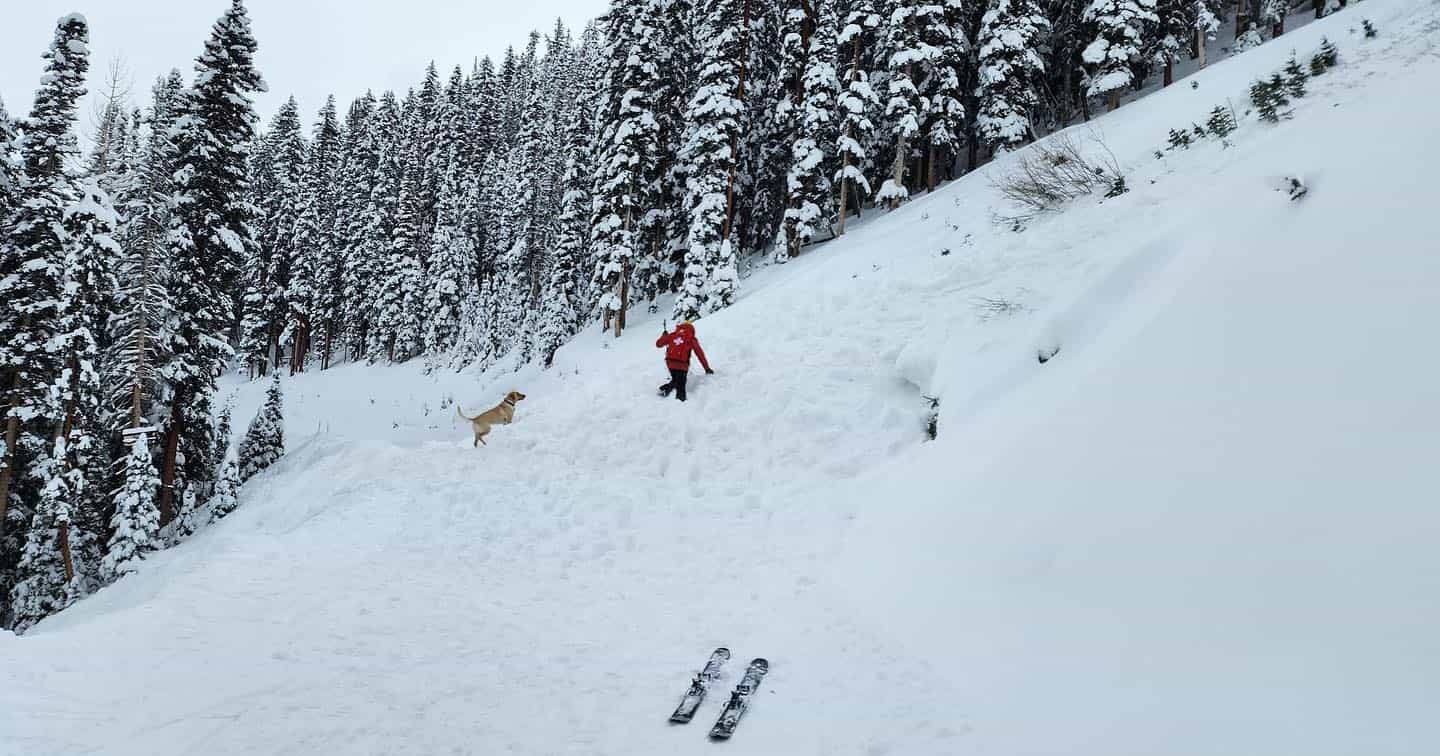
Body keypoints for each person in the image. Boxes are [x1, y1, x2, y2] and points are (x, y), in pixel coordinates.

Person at [656, 321, 713, 401]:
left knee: (676, 380)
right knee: (681, 385)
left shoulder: (672, 335)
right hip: (682, 365)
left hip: (670, 363)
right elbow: (700, 355)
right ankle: (681, 403)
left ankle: (664, 391)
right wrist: (707, 368)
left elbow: (658, 344)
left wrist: (664, 336)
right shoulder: (691, 338)